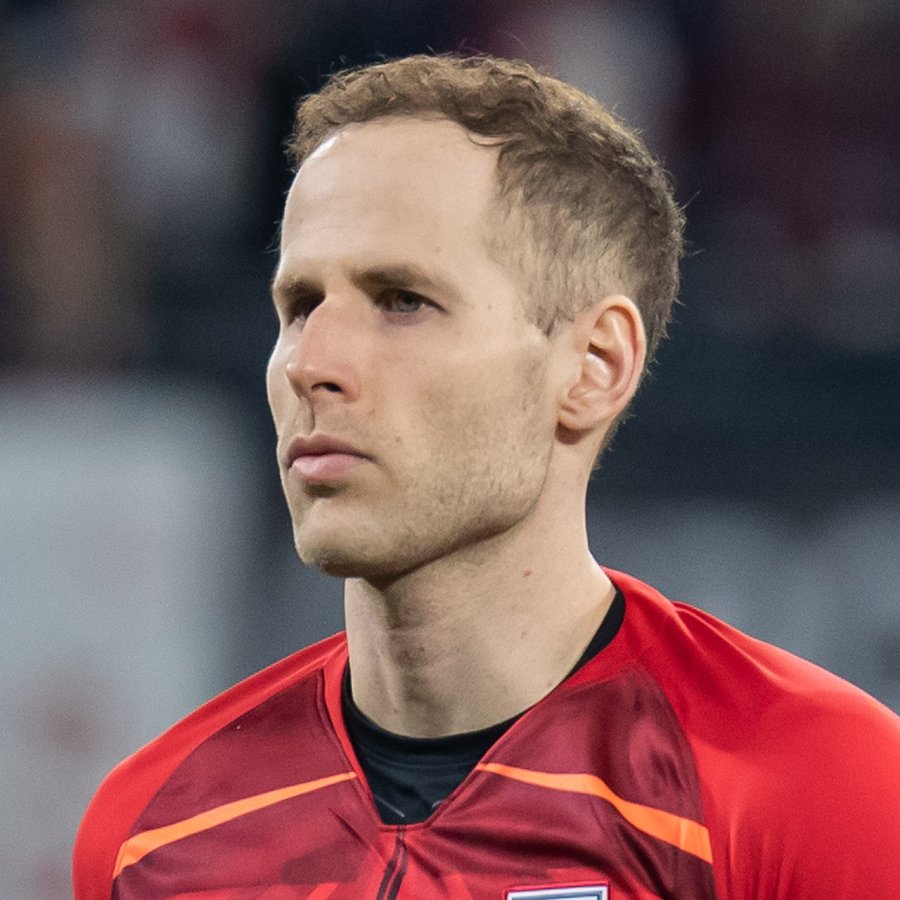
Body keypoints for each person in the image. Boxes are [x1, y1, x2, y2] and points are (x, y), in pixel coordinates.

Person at [73, 53, 899, 899]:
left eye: (402, 300)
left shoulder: (815, 790)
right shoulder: (151, 836)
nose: (311, 364)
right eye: (301, 306)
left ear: (594, 366)